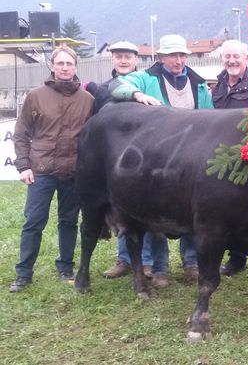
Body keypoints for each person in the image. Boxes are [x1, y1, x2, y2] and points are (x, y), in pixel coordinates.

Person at [110, 34, 213, 287]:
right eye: (172, 55)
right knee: (157, 212)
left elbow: (211, 117)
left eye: (182, 55)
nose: (178, 60)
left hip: (193, 159)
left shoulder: (199, 84)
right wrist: (136, 94)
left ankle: (191, 264)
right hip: (157, 158)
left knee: (193, 210)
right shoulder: (146, 78)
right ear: (161, 57)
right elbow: (116, 86)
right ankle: (160, 268)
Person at [9, 45, 94, 292]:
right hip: (41, 170)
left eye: (69, 64)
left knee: (68, 222)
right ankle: (24, 273)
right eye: (61, 63)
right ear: (53, 66)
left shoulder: (87, 100)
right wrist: (24, 166)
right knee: (33, 222)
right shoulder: (36, 96)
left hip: (73, 173)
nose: (65, 68)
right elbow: (21, 133)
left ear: (76, 67)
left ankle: (66, 267)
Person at [83, 41, 159, 279]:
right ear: (112, 59)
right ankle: (124, 259)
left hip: (144, 159)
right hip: (114, 161)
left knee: (147, 210)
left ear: (136, 59)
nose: (123, 61)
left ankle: (147, 262)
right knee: (119, 209)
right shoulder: (103, 89)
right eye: (119, 57)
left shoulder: (146, 85)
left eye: (128, 56)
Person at [212, 39, 248, 280]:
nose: (232, 61)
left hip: (247, 155)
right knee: (227, 209)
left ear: (247, 59)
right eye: (227, 57)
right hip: (221, 156)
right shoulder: (218, 85)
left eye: (237, 57)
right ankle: (237, 258)